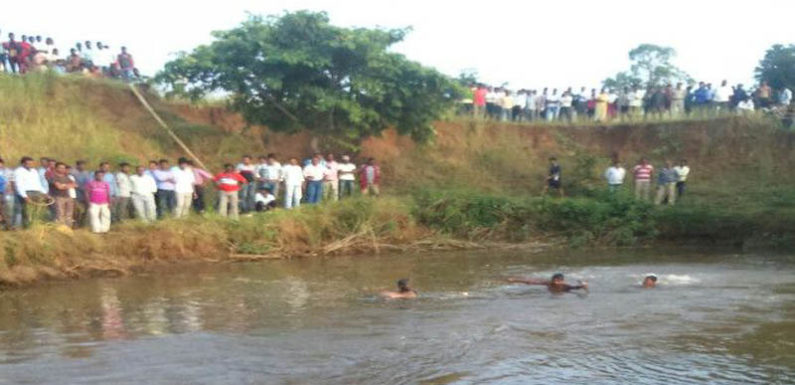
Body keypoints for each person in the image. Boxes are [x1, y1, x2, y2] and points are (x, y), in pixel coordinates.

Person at [14, 156, 46, 228]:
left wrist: (44, 193)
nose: (30, 165)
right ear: (23, 164)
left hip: (36, 192)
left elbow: (38, 184)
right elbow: (19, 185)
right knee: (26, 211)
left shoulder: (34, 171)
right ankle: (25, 227)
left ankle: (34, 225)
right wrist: (25, 196)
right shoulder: (18, 171)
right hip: (26, 192)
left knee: (36, 210)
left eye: (32, 163)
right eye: (28, 164)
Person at [50, 162, 76, 227]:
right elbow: (59, 187)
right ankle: (60, 229)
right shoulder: (53, 177)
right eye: (60, 168)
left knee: (69, 214)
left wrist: (64, 185)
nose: (62, 169)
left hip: (68, 196)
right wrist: (67, 185)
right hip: (58, 197)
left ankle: (68, 229)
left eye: (64, 168)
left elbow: (75, 185)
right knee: (60, 214)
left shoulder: (66, 177)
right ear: (56, 168)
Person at [507, 273, 588, 293]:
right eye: (555, 280)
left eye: (558, 281)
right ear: (552, 280)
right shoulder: (548, 283)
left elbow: (575, 288)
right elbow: (530, 282)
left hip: (562, 293)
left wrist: (582, 286)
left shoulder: (565, 286)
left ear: (562, 281)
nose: (556, 283)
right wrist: (515, 280)